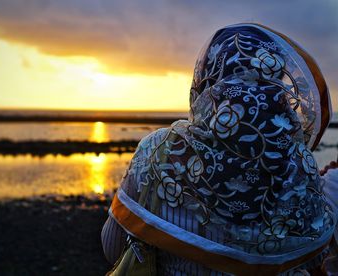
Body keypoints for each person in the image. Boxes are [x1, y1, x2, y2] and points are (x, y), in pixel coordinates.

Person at [101, 23, 337, 275]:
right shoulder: (299, 165)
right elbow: (315, 256)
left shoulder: (160, 150)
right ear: (278, 85)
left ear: (205, 78)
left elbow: (112, 247)